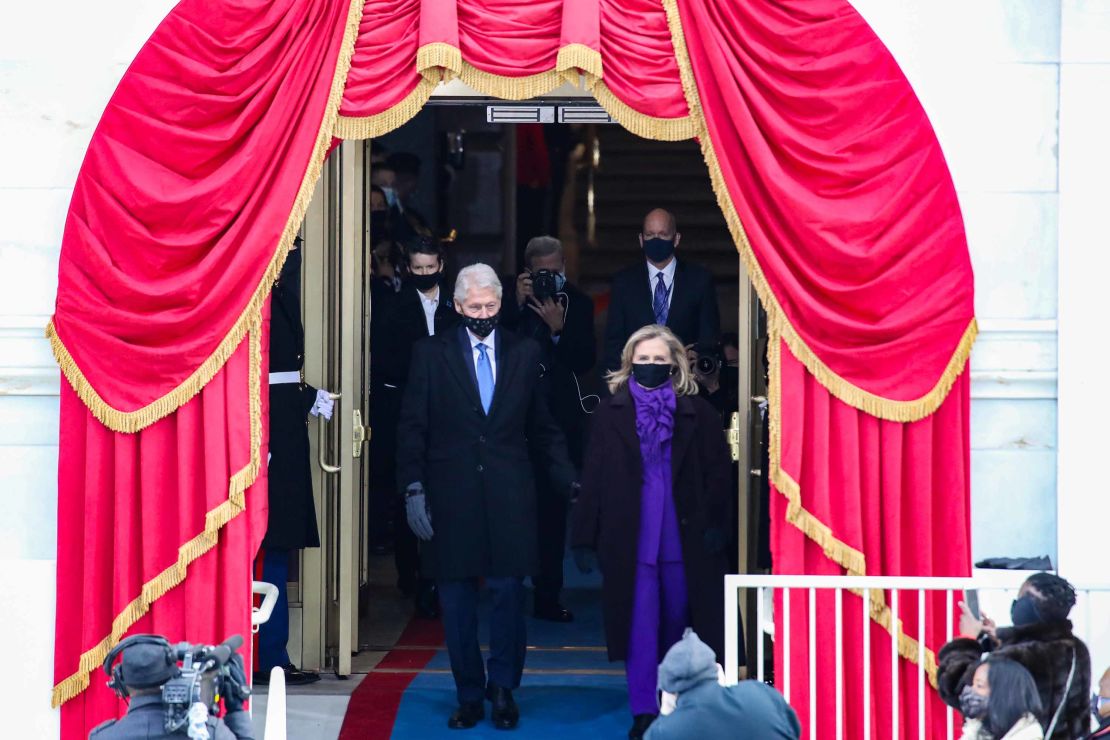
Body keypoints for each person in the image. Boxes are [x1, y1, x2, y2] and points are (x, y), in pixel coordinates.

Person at [396, 263, 576, 730]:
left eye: (491, 306)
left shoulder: (525, 350)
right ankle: (469, 693)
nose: (482, 314)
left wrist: (569, 479)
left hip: (510, 493)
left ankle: (503, 690)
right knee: (455, 599)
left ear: (501, 304)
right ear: (457, 307)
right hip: (449, 493)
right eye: (473, 307)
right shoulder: (429, 353)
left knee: (508, 596)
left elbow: (543, 427)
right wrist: (412, 486)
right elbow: (412, 426)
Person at [571, 324, 733, 739]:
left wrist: (719, 526)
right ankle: (643, 709)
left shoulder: (701, 414)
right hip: (630, 535)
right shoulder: (610, 413)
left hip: (685, 535)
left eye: (659, 359)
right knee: (639, 625)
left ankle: (673, 705)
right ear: (628, 364)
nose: (651, 366)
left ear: (675, 364)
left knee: (679, 624)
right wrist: (584, 536)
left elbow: (719, 477)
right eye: (642, 360)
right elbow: (594, 475)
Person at [501, 235, 596, 622]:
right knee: (510, 511)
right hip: (511, 419)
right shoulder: (506, 299)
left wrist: (559, 330)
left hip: (558, 420)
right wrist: (515, 304)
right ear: (527, 271)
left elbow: (585, 360)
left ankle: (547, 595)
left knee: (553, 514)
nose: (550, 279)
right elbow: (492, 347)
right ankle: (506, 593)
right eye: (543, 273)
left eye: (556, 271)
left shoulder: (580, 303)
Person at [256, 237, 331, 686]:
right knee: (266, 550)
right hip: (269, 438)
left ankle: (272, 653)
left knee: (276, 548)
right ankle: (266, 658)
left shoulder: (276, 294)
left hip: (281, 431)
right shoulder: (257, 300)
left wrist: (304, 395)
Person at [381, 235, 459, 617]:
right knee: (408, 490)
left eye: (431, 268)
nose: (425, 274)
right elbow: (385, 359)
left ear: (441, 266)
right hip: (406, 407)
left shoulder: (459, 305)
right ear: (407, 269)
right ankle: (409, 575)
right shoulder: (393, 308)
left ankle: (437, 575)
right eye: (418, 269)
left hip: (451, 409)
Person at [939, 572, 1092, 740]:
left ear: (1027, 606)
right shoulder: (1077, 648)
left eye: (1020, 598)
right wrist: (999, 641)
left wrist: (966, 640)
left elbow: (956, 688)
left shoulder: (1020, 655)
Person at [603, 208, 720, 374]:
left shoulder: (699, 280)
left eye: (663, 234)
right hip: (636, 385)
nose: (656, 240)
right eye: (650, 235)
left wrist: (694, 361)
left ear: (676, 238)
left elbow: (709, 337)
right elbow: (614, 342)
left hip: (686, 383)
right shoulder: (624, 282)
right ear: (641, 239)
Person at [644, 629, 799, 740]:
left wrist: (665, 714)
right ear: (718, 671)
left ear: (668, 693)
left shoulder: (662, 732)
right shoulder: (760, 694)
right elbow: (794, 729)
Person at [91, 637, 253, 739]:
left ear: (122, 683)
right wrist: (236, 711)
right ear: (174, 674)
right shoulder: (208, 731)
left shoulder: (102, 736)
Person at [956, 657, 1044, 740]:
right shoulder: (980, 729)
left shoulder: (1028, 735)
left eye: (979, 685)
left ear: (1002, 693)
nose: (971, 690)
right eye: (972, 684)